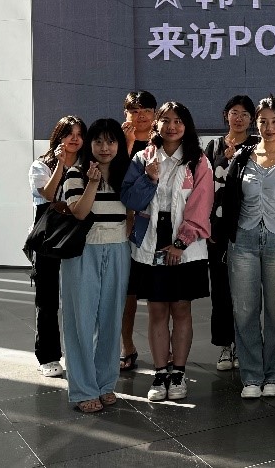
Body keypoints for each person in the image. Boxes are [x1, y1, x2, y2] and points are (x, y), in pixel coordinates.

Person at [216, 96, 275, 399]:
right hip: (242, 241)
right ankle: (252, 376)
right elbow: (230, 198)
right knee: (244, 310)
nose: (269, 127)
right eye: (263, 121)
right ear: (256, 124)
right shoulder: (242, 157)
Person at [121, 101, 213, 403]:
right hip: (150, 246)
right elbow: (131, 200)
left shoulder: (198, 161)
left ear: (186, 125)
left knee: (181, 309)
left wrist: (181, 243)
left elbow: (201, 205)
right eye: (166, 120)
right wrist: (149, 178)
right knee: (157, 310)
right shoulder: (142, 158)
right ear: (157, 124)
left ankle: (179, 373)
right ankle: (160, 373)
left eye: (178, 121)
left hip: (185, 248)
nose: (172, 126)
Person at [60, 118, 132, 413]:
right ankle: (83, 389)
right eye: (99, 141)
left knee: (112, 319)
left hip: (118, 249)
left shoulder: (125, 173)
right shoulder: (75, 173)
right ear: (89, 144)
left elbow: (134, 209)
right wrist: (92, 182)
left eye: (111, 141)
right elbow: (79, 212)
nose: (105, 147)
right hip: (83, 252)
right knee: (81, 321)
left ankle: (104, 383)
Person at [203, 95, 258, 373]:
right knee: (221, 290)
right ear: (226, 115)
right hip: (218, 230)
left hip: (247, 226)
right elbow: (203, 187)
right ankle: (226, 344)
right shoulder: (213, 146)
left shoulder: (257, 145)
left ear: (251, 119)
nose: (239, 118)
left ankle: (246, 345)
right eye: (234, 112)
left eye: (245, 114)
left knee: (247, 292)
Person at [27, 115, 84, 379]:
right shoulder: (41, 165)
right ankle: (48, 356)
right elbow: (48, 195)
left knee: (79, 298)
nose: (74, 139)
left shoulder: (87, 164)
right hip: (49, 237)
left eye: (79, 134)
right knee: (47, 299)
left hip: (79, 235)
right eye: (69, 133)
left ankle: (79, 354)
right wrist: (60, 165)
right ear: (58, 137)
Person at [119, 90, 157, 373]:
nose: (141, 115)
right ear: (126, 114)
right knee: (127, 292)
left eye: (146, 110)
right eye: (135, 110)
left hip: (157, 225)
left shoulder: (164, 140)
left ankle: (162, 350)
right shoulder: (118, 142)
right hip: (125, 226)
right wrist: (127, 144)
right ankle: (126, 345)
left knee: (159, 294)